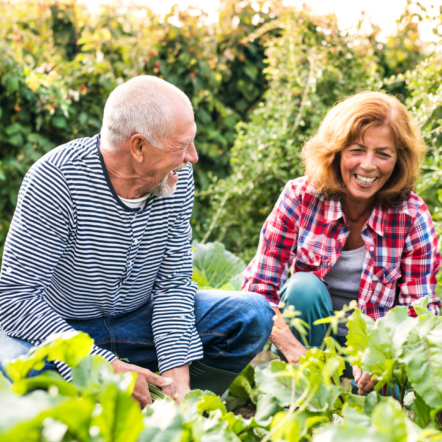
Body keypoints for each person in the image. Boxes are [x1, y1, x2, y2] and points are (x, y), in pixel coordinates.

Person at [0, 75, 274, 406]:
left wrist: (178, 384)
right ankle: (94, 402)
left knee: (253, 315)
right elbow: (15, 298)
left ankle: (169, 405)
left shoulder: (175, 177)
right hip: (64, 329)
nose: (193, 156)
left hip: (138, 326)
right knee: (16, 366)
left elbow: (172, 285)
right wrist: (96, 360)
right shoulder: (57, 180)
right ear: (139, 146)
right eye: (182, 144)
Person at [243, 91, 441, 395]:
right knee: (304, 287)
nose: (368, 165)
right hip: (304, 348)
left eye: (383, 154)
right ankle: (300, 394)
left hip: (372, 359)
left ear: (398, 160)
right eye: (357, 150)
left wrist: (380, 356)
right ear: (336, 150)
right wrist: (297, 354)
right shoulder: (300, 197)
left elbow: (419, 312)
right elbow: (258, 291)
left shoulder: (412, 217)